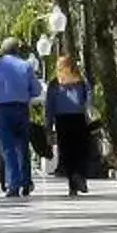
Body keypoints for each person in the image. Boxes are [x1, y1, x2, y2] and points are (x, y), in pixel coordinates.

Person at [0, 38, 43, 198]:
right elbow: (37, 90)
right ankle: (26, 182)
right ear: (18, 50)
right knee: (23, 147)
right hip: (22, 109)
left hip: (3, 110)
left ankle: (13, 185)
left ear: (3, 50)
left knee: (8, 148)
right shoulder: (26, 66)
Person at [46, 55, 95, 196]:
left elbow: (49, 108)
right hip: (78, 119)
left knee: (66, 153)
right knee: (80, 151)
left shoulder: (54, 84)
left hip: (62, 121)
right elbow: (89, 99)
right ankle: (79, 176)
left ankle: (72, 185)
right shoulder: (81, 82)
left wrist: (48, 127)